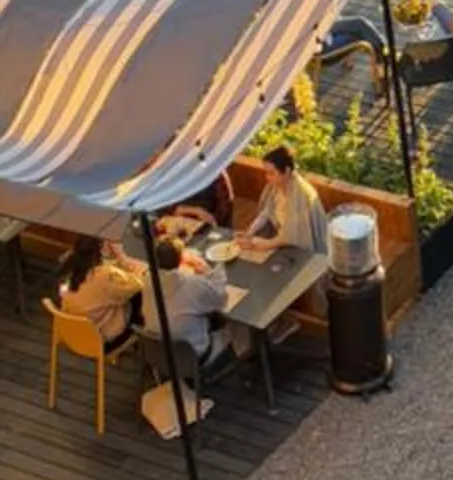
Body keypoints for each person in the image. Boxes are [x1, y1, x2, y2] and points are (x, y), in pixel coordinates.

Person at [141, 234, 230, 362]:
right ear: (180, 259)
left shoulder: (147, 281)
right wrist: (209, 272)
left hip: (160, 354)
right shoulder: (192, 284)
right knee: (233, 327)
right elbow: (221, 299)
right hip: (194, 356)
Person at [54, 235, 144, 349]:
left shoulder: (69, 268)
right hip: (100, 341)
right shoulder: (102, 276)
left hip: (73, 335)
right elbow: (137, 285)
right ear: (99, 250)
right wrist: (124, 260)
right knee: (138, 296)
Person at [250, 143, 326, 257]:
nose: (267, 177)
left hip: (303, 248)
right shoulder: (275, 186)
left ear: (287, 171)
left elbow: (294, 234)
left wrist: (268, 244)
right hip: (282, 242)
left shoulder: (302, 194)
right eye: (266, 172)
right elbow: (267, 212)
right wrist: (250, 231)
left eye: (271, 173)